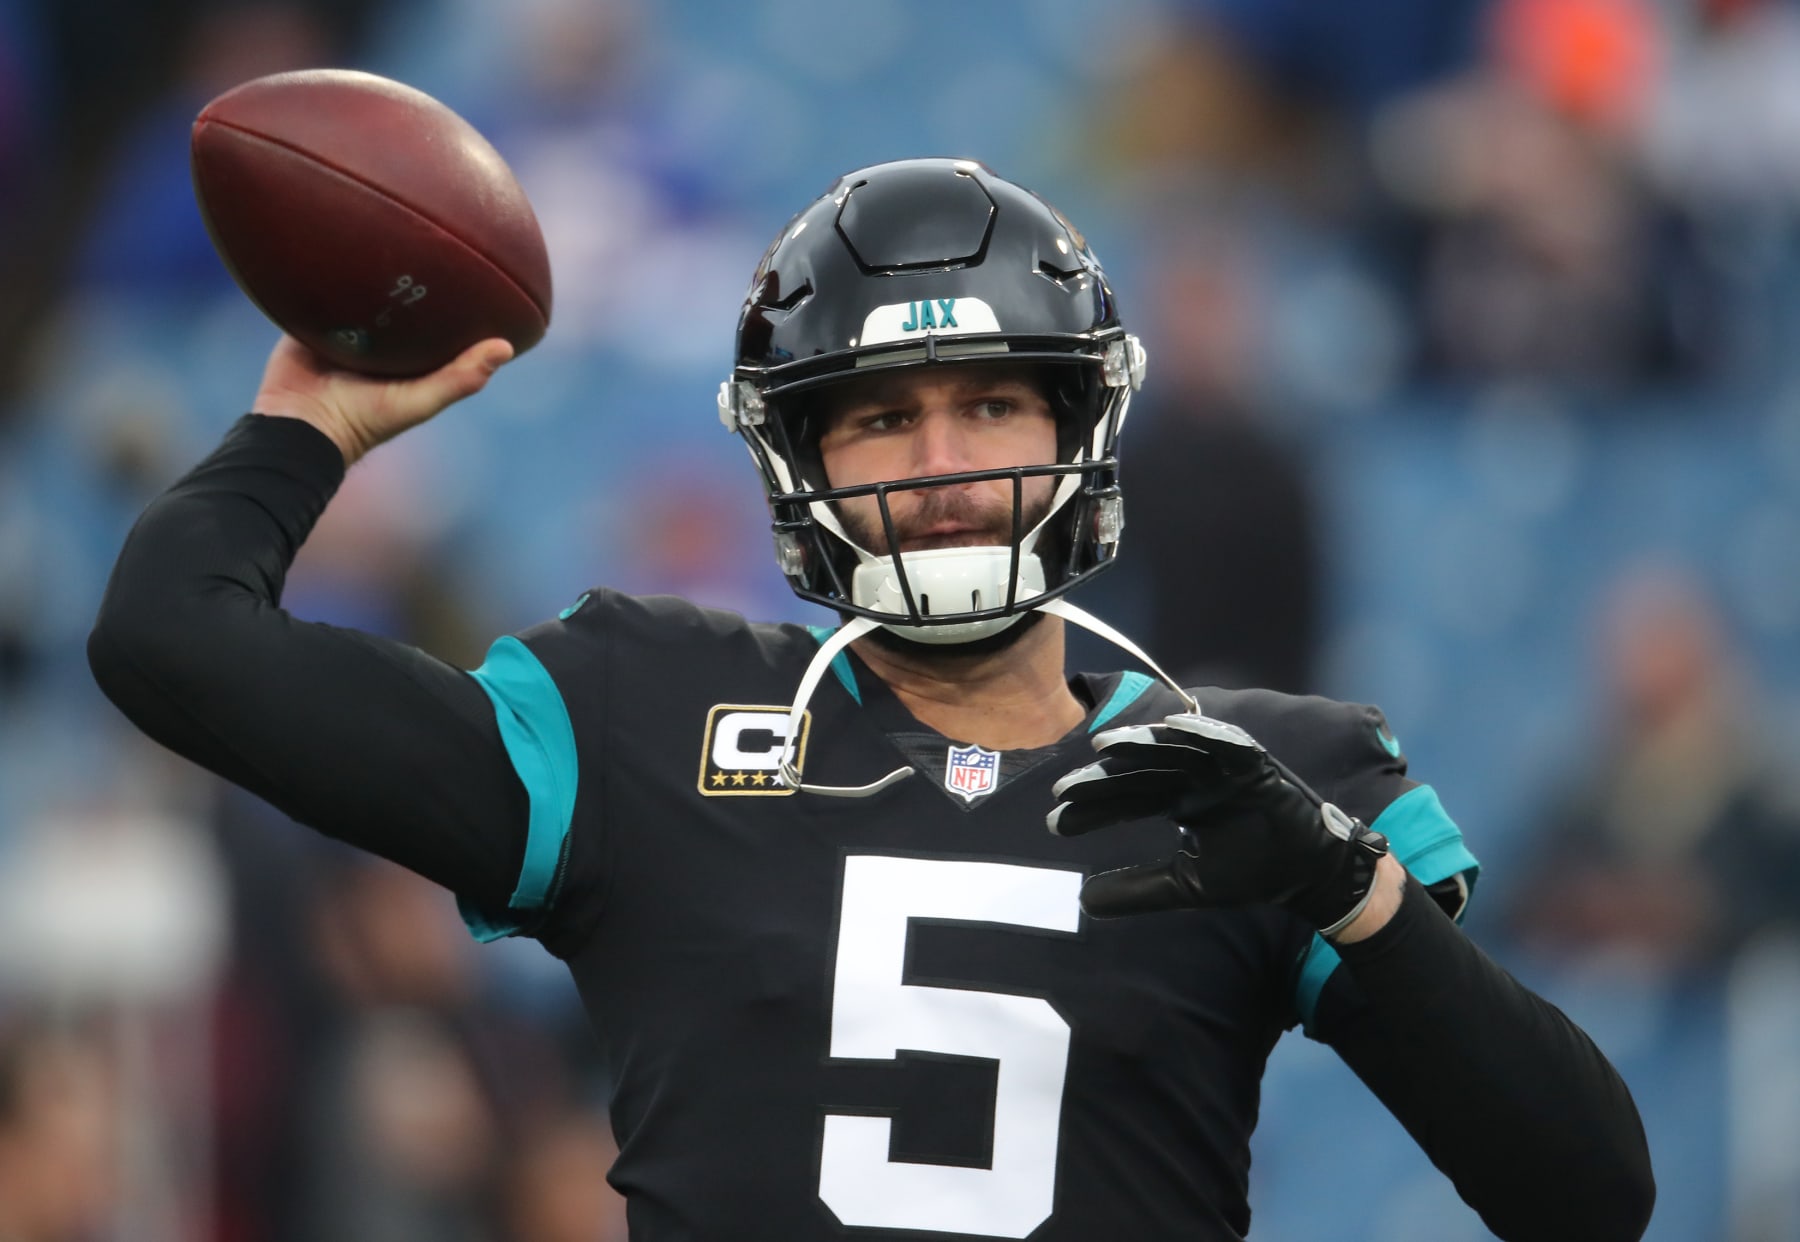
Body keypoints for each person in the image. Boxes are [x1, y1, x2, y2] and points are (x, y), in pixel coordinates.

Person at [89, 158, 1653, 1241]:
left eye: (991, 402)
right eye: (883, 419)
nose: (946, 463)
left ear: (1078, 426)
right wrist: (310, 425)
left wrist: (1350, 890)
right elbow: (174, 640)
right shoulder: (648, 712)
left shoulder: (1259, 779)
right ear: (800, 462)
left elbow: (1589, 1193)